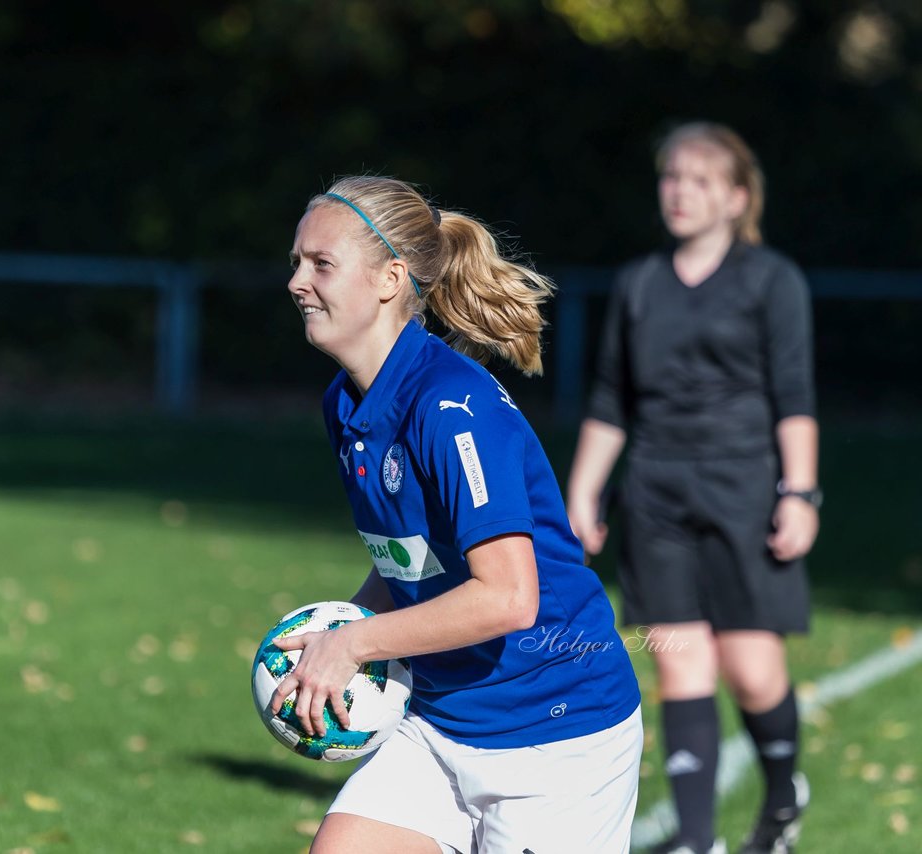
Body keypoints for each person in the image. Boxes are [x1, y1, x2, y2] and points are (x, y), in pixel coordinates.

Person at [270, 175, 643, 854]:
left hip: (553, 735)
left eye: (321, 264)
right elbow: (410, 557)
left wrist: (353, 645)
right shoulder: (346, 403)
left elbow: (507, 598)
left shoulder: (451, 409)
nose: (298, 282)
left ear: (390, 279)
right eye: (296, 262)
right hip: (438, 725)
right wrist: (339, 630)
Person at [566, 123, 819, 854]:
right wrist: (584, 491)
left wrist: (799, 493)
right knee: (678, 658)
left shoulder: (773, 280)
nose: (678, 192)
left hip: (745, 494)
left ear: (737, 198)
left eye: (699, 180)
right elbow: (612, 399)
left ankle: (780, 799)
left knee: (753, 669)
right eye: (671, 176)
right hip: (655, 497)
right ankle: (699, 841)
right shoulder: (640, 283)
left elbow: (794, 396)